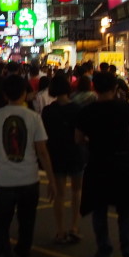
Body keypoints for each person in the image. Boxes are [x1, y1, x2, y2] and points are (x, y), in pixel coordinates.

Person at [0, 75, 55, 257]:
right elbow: (43, 152)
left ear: (4, 95)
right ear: (24, 93)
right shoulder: (33, 118)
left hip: (4, 181)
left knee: (1, 223)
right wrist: (51, 180)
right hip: (29, 180)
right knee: (27, 222)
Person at [76, 71, 129, 257]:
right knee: (125, 210)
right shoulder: (125, 107)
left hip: (98, 163)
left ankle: (104, 250)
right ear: (115, 88)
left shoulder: (87, 111)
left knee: (99, 209)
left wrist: (92, 139)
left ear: (94, 88)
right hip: (122, 162)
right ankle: (128, 253)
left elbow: (78, 139)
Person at [42, 74, 84, 245]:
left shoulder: (48, 111)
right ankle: (74, 227)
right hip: (75, 153)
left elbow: (44, 136)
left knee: (59, 194)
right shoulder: (77, 109)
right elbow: (80, 135)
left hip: (56, 154)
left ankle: (60, 230)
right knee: (77, 191)